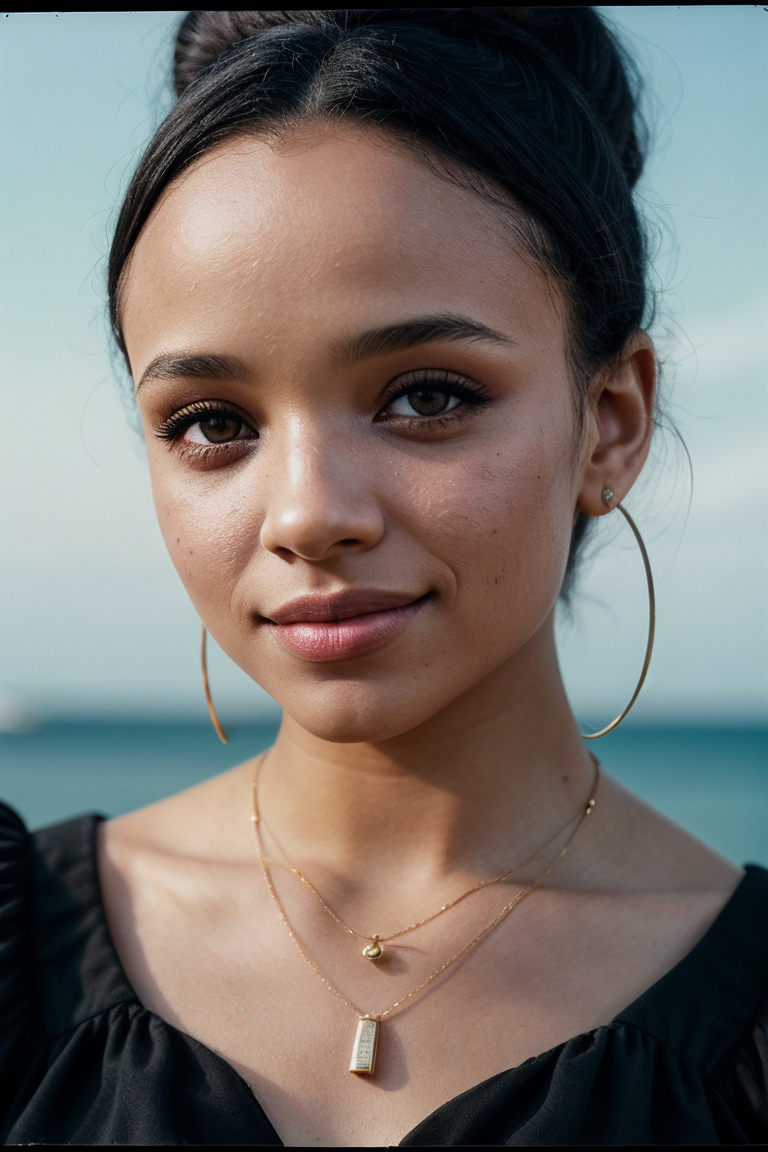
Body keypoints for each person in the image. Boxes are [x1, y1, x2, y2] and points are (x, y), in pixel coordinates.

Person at [1, 9, 766, 1147]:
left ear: (611, 423)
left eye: (427, 396)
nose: (309, 514)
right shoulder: (21, 951)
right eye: (212, 423)